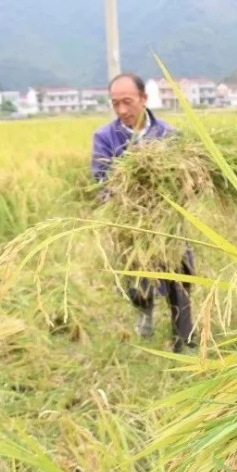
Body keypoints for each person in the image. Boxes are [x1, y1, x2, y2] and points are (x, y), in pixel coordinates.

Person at [91, 72, 197, 353]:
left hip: (168, 222)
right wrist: (127, 197)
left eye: (127, 102)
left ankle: (183, 339)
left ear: (144, 99)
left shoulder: (170, 135)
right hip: (131, 224)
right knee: (137, 279)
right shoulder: (104, 137)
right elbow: (101, 179)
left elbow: (189, 182)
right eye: (115, 104)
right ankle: (144, 309)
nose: (122, 110)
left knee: (181, 276)